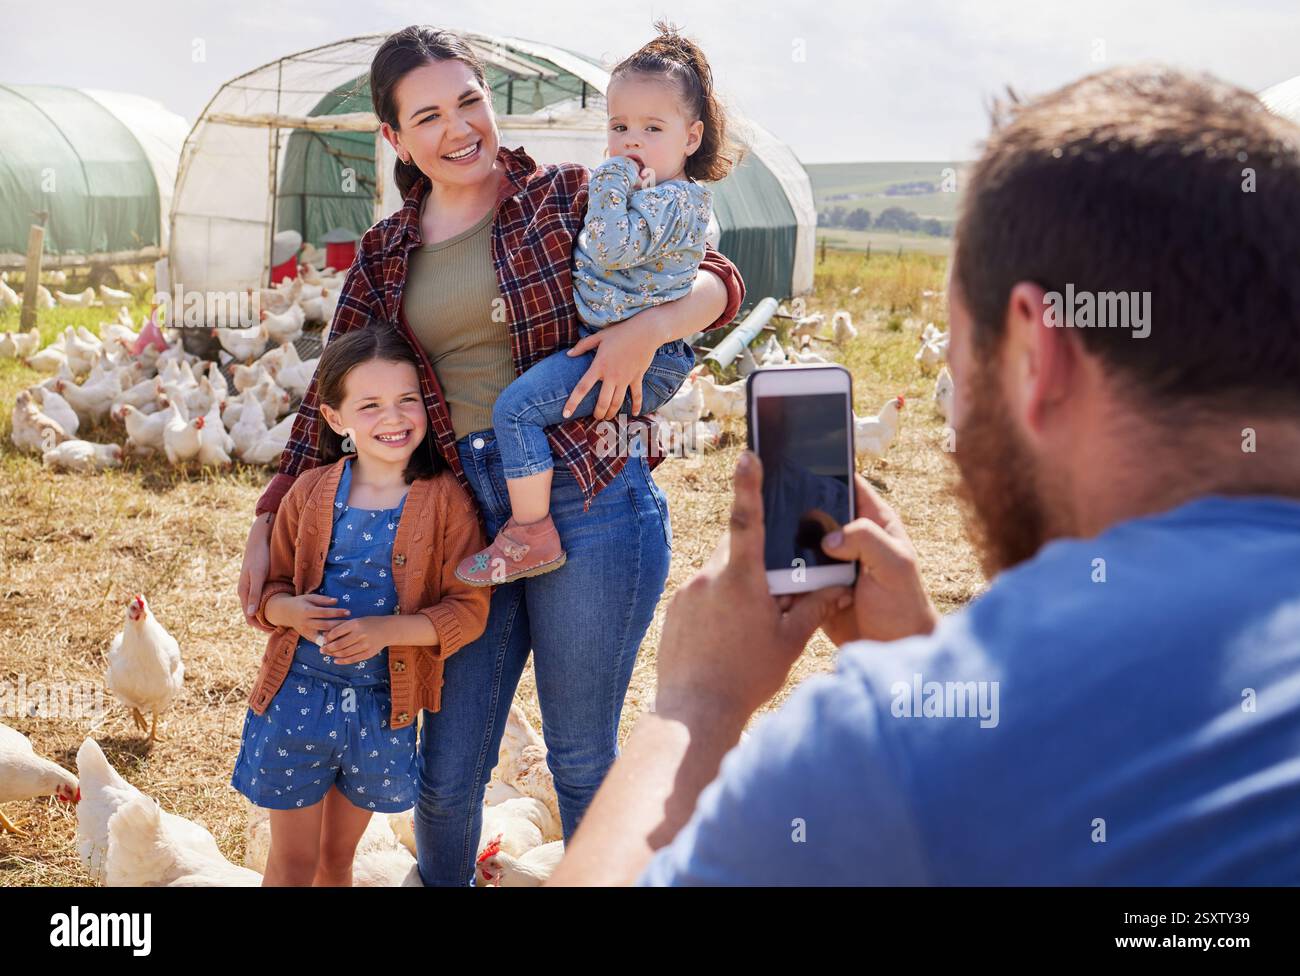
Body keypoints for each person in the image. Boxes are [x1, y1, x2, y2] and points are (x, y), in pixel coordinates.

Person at [551, 65, 1300, 885]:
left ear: (1037, 359)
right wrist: (929, 660)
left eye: (963, 351)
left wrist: (692, 710)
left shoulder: (881, 761)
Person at [235, 25, 745, 886]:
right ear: (395, 138)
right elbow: (329, 399)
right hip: (464, 517)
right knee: (448, 771)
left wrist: (647, 330)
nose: (458, 126)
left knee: (580, 755)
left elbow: (718, 278)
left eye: (469, 100)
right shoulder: (388, 253)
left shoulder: (569, 196)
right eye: (427, 114)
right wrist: (265, 523)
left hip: (591, 496)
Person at [455, 24, 734, 586]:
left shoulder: (676, 201)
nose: (631, 141)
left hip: (648, 358)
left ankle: (530, 534)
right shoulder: (642, 192)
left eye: (653, 128)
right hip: (620, 344)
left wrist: (609, 179)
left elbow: (610, 244)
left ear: (691, 136)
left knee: (516, 410)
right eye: (619, 126)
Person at [231, 326, 490, 886]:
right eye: (369, 405)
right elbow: (266, 596)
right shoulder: (309, 492)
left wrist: (385, 630)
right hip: (297, 699)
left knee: (337, 861)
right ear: (335, 418)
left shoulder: (447, 501)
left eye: (407, 400)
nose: (392, 418)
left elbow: (468, 611)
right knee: (294, 863)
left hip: (381, 709)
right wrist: (291, 613)